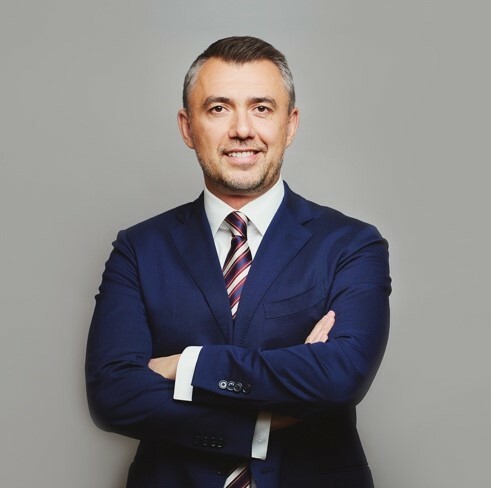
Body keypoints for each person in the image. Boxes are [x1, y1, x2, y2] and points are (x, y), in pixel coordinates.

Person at [86, 36, 391, 488]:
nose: (242, 129)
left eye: (262, 108)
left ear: (290, 124)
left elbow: (341, 375)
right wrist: (258, 426)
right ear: (187, 128)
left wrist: (186, 366)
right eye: (219, 109)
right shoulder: (138, 248)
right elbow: (113, 394)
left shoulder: (351, 244)